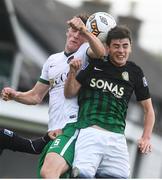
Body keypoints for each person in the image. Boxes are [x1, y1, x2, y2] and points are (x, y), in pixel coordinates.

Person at [1, 13, 105, 178]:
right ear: (67, 31)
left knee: (49, 172)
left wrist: (85, 30)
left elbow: (101, 52)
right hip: (54, 131)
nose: (76, 35)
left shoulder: (85, 52)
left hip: (73, 127)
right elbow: (35, 96)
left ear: (86, 37)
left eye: (81, 33)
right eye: (74, 30)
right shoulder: (52, 60)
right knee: (48, 175)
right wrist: (16, 95)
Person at [64, 25, 155, 178]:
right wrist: (72, 72)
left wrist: (146, 137)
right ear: (107, 47)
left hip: (117, 138)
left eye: (125, 46)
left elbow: (149, 110)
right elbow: (69, 93)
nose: (121, 51)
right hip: (90, 132)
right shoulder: (95, 64)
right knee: (82, 176)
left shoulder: (135, 72)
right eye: (116, 46)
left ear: (130, 47)